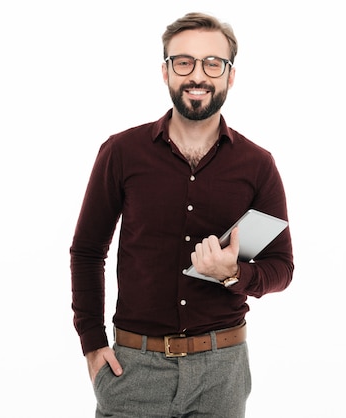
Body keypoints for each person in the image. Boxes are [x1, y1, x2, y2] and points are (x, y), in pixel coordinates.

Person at [70, 12, 294, 418]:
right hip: (133, 369)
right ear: (165, 71)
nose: (198, 76)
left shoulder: (258, 165)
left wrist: (232, 274)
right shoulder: (121, 152)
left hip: (221, 372)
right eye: (183, 62)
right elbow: (87, 251)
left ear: (229, 75)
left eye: (213, 63)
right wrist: (91, 342)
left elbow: (281, 268)